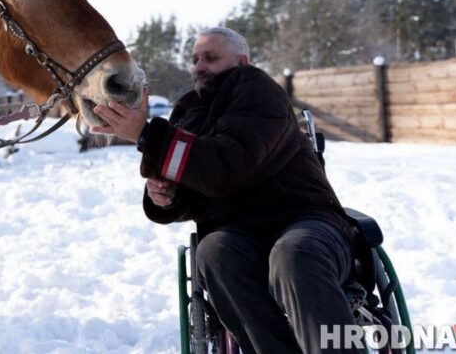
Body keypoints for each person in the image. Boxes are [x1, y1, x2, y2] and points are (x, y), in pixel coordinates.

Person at [91, 27, 361, 354]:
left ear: (241, 61)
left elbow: (229, 167)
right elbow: (197, 183)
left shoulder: (257, 90)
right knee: (213, 252)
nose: (199, 66)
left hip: (304, 220)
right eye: (194, 59)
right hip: (238, 234)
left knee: (293, 255)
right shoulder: (188, 110)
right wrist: (167, 197)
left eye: (210, 58)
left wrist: (148, 137)